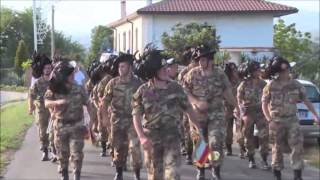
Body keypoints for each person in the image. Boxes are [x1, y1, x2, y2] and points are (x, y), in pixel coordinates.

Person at [132, 47, 200, 180]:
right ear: (153, 72)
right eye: (162, 69)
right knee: (155, 176)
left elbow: (189, 109)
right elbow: (136, 116)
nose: (166, 70)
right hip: (152, 140)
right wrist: (142, 137)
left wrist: (199, 128)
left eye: (166, 68)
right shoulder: (142, 91)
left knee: (173, 175)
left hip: (173, 139)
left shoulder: (176, 87)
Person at [183, 45, 239, 180]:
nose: (200, 63)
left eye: (203, 60)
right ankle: (200, 170)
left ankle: (216, 169)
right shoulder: (192, 73)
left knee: (216, 142)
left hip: (216, 114)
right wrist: (196, 102)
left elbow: (227, 92)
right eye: (199, 60)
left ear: (210, 60)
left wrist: (236, 107)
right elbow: (185, 90)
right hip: (197, 115)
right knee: (200, 143)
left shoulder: (219, 74)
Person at [261, 56, 320, 180]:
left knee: (297, 147)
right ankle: (277, 175)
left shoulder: (296, 84)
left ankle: (297, 176)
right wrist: (269, 120)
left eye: (288, 69)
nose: (287, 72)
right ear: (280, 71)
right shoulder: (271, 85)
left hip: (292, 120)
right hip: (276, 122)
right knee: (277, 149)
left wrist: (316, 115)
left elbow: (306, 100)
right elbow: (264, 104)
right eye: (285, 70)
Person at [44, 60, 88, 180]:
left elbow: (88, 103)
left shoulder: (79, 89)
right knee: (62, 154)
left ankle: (77, 175)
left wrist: (91, 122)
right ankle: (65, 175)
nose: (73, 76)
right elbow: (46, 103)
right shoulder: (55, 89)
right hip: (60, 125)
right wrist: (56, 102)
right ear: (64, 77)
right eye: (71, 75)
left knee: (77, 154)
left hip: (77, 125)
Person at [101, 53, 143, 180]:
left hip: (132, 120)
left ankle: (137, 174)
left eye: (123, 66)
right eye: (119, 67)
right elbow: (104, 102)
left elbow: (147, 98)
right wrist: (104, 118)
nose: (120, 69)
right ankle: (119, 172)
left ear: (130, 67)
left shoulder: (138, 83)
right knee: (118, 148)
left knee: (134, 148)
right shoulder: (113, 83)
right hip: (117, 120)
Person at [237, 61, 269, 169]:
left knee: (264, 136)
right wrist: (242, 111)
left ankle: (264, 160)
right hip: (248, 113)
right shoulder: (244, 84)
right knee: (248, 136)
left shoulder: (263, 84)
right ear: (251, 71)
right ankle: (251, 159)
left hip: (261, 113)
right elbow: (239, 99)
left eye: (259, 69)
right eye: (256, 70)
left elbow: (269, 99)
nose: (259, 71)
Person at [28, 53, 53, 161]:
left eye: (49, 68)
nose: (48, 70)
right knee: (43, 131)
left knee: (53, 130)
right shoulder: (38, 82)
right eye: (46, 68)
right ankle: (45, 151)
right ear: (42, 70)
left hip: (53, 109)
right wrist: (30, 107)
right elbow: (31, 95)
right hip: (41, 109)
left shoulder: (54, 81)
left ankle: (54, 151)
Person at [177, 47, 199, 165]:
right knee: (188, 131)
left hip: (200, 108)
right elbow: (181, 90)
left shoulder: (202, 71)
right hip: (187, 106)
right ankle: (189, 153)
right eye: (196, 61)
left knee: (200, 133)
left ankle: (202, 159)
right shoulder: (184, 73)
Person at [96, 55, 117, 157]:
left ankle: (113, 152)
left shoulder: (116, 78)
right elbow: (99, 94)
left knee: (112, 132)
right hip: (105, 107)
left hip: (113, 109)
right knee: (104, 130)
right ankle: (104, 148)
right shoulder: (106, 79)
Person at [223, 62, 243, 157]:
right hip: (227, 107)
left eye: (235, 70)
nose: (235, 72)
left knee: (240, 128)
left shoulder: (240, 81)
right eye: (233, 70)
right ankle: (228, 147)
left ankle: (242, 149)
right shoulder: (225, 82)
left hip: (238, 107)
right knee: (228, 129)